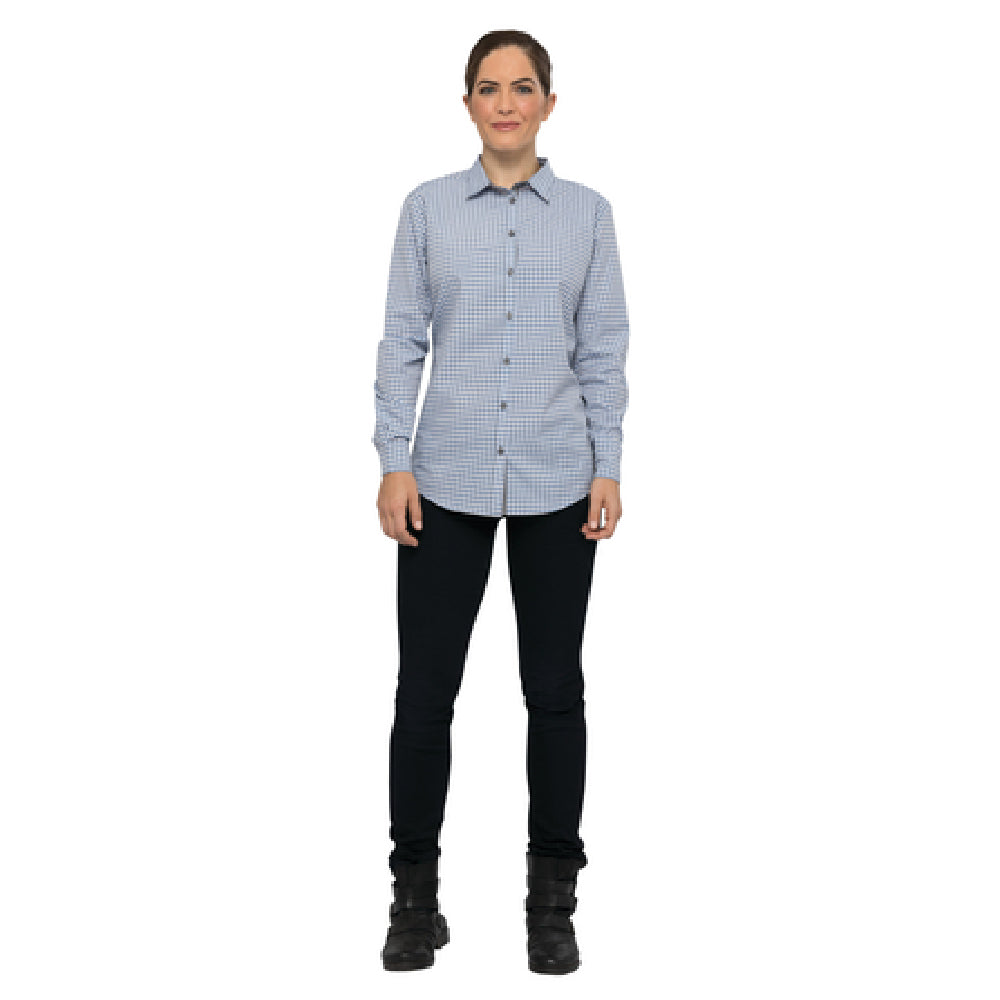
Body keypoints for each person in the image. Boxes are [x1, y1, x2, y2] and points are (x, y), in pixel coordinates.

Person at [372, 29, 629, 975]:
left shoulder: (589, 216)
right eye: (490, 87)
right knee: (423, 694)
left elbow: (603, 349)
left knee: (554, 691)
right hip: (444, 481)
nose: (507, 103)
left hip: (561, 479)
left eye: (524, 88)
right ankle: (413, 902)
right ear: (469, 103)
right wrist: (393, 460)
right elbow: (402, 339)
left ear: (549, 104)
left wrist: (608, 465)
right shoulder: (427, 210)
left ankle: (551, 907)